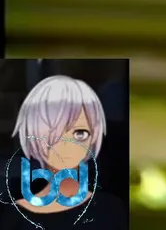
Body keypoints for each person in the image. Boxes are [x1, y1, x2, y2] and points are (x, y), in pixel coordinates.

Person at [1, 76, 128, 230]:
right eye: (54, 133)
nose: (67, 144)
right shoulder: (11, 217)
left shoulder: (111, 209)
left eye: (80, 133)